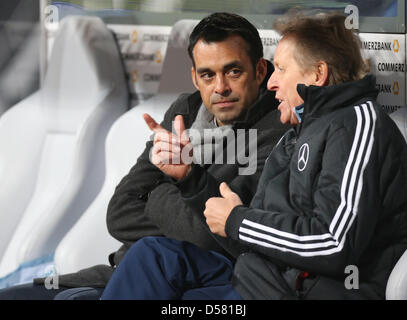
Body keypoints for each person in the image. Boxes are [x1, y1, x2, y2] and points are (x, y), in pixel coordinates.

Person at [100, 11, 407, 300]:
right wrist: (190, 179)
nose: (272, 81)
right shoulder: (295, 135)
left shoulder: (357, 124)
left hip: (302, 291)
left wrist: (237, 220)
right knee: (154, 259)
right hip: (259, 279)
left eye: (282, 70)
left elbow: (333, 244)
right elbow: (252, 236)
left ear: (318, 74)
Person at [0, 12, 289, 299]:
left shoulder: (276, 127)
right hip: (125, 268)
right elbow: (120, 213)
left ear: (260, 71)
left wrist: (168, 189)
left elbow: (213, 233)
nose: (220, 87)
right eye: (207, 75)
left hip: (191, 281)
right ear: (194, 77)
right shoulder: (184, 110)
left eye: (233, 71)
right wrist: (187, 208)